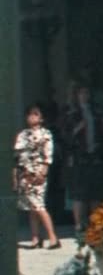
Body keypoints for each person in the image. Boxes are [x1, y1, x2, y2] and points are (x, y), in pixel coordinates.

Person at [61, 75, 103, 234]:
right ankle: (79, 225)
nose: (84, 96)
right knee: (79, 194)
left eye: (87, 93)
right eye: (81, 93)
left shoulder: (96, 111)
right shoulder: (71, 112)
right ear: (77, 95)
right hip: (78, 157)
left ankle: (95, 225)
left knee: (95, 193)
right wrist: (78, 128)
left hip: (94, 155)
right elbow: (65, 136)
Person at [15, 105, 59, 249]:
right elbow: (17, 154)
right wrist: (17, 174)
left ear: (41, 118)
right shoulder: (23, 134)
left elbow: (48, 154)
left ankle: (53, 237)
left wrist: (44, 171)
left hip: (38, 172)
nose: (31, 117)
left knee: (39, 205)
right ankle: (35, 237)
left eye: (35, 114)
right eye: (29, 114)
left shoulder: (46, 134)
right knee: (31, 207)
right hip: (25, 173)